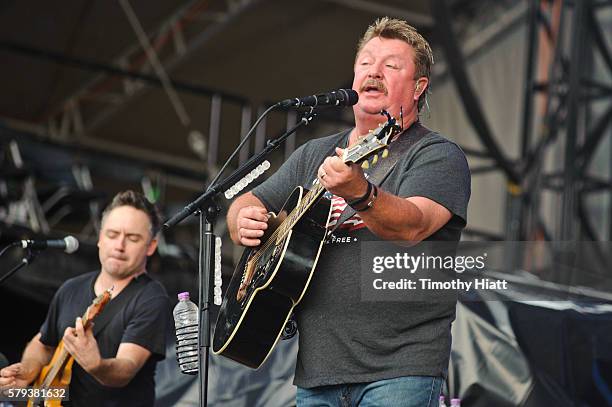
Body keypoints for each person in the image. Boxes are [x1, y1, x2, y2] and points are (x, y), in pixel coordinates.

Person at [227, 17, 471, 407]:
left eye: (391, 65)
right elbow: (250, 200)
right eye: (365, 62)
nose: (373, 71)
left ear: (418, 87)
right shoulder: (313, 154)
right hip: (318, 372)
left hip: (400, 368)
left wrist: (360, 191)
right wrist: (244, 218)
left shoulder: (436, 155)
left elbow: (414, 225)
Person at [0, 190, 170, 407]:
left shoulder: (151, 297)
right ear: (99, 238)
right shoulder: (71, 288)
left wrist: (96, 365)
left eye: (132, 238)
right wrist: (27, 369)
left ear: (151, 246)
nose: (119, 245)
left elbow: (126, 368)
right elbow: (43, 343)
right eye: (112, 234)